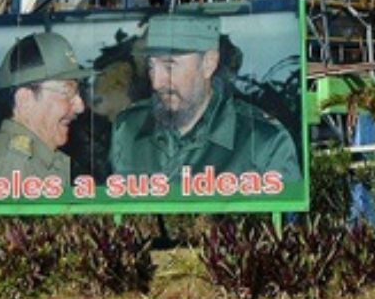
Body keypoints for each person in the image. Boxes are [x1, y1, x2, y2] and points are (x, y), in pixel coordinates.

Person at [108, 13, 300, 180]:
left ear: (208, 64)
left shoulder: (262, 143)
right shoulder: (128, 129)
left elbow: (286, 221)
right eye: (151, 67)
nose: (156, 83)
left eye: (169, 66)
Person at [0, 30, 88, 183]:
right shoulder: (10, 168)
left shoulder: (36, 161)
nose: (80, 106)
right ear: (25, 100)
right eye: (66, 91)